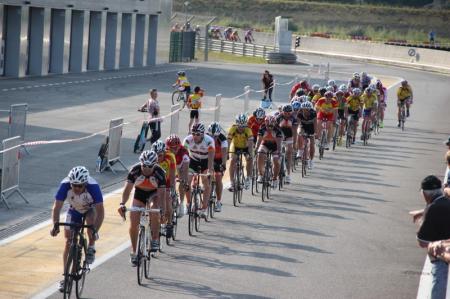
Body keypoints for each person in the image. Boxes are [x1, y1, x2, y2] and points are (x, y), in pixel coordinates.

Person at [50, 166, 104, 292]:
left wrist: (95, 230)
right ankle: (65, 277)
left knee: (91, 225)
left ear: (85, 183)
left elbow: (101, 212)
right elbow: (56, 207)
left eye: (80, 186)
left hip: (91, 210)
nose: (76, 188)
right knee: (68, 242)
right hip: (74, 210)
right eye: (74, 185)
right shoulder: (64, 185)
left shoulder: (94, 187)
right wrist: (55, 225)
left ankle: (91, 247)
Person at [119, 150, 166, 265]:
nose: (146, 168)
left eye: (149, 166)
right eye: (144, 165)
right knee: (133, 221)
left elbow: (162, 195)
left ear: (154, 164)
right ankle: (134, 251)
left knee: (154, 210)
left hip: (154, 194)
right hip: (139, 194)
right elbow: (127, 190)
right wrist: (122, 204)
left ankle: (155, 238)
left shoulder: (159, 173)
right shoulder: (135, 170)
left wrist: (162, 211)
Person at [415, 175, 450, 299]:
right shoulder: (446, 201)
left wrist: (423, 219)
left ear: (425, 193)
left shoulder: (433, 208)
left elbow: (422, 241)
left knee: (439, 282)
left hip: (443, 256)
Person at [183, 123, 215, 218]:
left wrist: (209, 170)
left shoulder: (209, 141)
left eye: (198, 134)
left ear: (203, 134)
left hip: (206, 162)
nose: (195, 136)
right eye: (193, 133)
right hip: (193, 161)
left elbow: (211, 158)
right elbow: (183, 155)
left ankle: (204, 208)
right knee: (187, 182)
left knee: (206, 183)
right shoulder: (187, 140)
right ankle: (189, 203)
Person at [151, 140, 176, 239]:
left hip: (167, 182)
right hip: (155, 182)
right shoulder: (151, 158)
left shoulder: (170, 157)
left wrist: (172, 188)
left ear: (164, 153)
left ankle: (169, 223)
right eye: (156, 155)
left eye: (160, 155)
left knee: (167, 200)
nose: (158, 158)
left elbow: (173, 174)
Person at [227, 114, 254, 191]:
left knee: (250, 159)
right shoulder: (232, 128)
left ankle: (248, 178)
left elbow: (251, 143)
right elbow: (228, 141)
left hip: (246, 147)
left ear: (246, 125)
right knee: (232, 160)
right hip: (235, 146)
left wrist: (250, 153)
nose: (241, 128)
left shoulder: (248, 130)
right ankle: (232, 182)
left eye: (243, 126)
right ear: (236, 124)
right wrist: (227, 153)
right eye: (239, 126)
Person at [165, 134, 190, 217]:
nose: (174, 150)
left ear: (180, 146)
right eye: (172, 148)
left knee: (182, 180)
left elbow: (186, 169)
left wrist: (185, 181)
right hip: (170, 166)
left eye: (176, 147)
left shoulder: (184, 151)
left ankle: (182, 203)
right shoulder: (165, 151)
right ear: (168, 147)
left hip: (180, 167)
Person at [256, 115, 283, 188]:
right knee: (260, 154)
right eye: (268, 126)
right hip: (265, 144)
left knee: (276, 161)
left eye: (271, 126)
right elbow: (259, 141)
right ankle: (260, 174)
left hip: (275, 146)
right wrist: (256, 150)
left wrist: (279, 152)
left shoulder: (278, 130)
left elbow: (279, 144)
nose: (269, 128)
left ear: (274, 124)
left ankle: (274, 179)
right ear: (265, 123)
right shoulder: (262, 129)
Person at [207, 122, 228, 212]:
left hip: (219, 159)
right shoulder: (205, 138)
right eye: (211, 136)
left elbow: (224, 153)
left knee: (218, 178)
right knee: (207, 177)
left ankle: (218, 201)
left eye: (215, 136)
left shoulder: (223, 139)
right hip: (208, 158)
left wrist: (223, 164)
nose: (213, 138)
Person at [276, 104, 298, 183]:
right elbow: (274, 129)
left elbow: (295, 132)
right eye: (285, 112)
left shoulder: (293, 119)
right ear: (283, 112)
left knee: (289, 152)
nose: (287, 114)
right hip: (280, 136)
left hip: (289, 136)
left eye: (289, 113)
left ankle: (288, 174)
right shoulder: (278, 117)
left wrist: (295, 143)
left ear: (291, 112)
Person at [297, 101, 317, 169]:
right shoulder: (299, 113)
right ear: (302, 109)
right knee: (299, 134)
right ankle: (299, 152)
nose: (306, 111)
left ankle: (311, 161)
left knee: (312, 145)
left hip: (311, 128)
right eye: (304, 109)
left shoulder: (313, 113)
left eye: (308, 109)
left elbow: (315, 124)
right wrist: (300, 131)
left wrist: (315, 133)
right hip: (303, 127)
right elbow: (298, 124)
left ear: (310, 109)